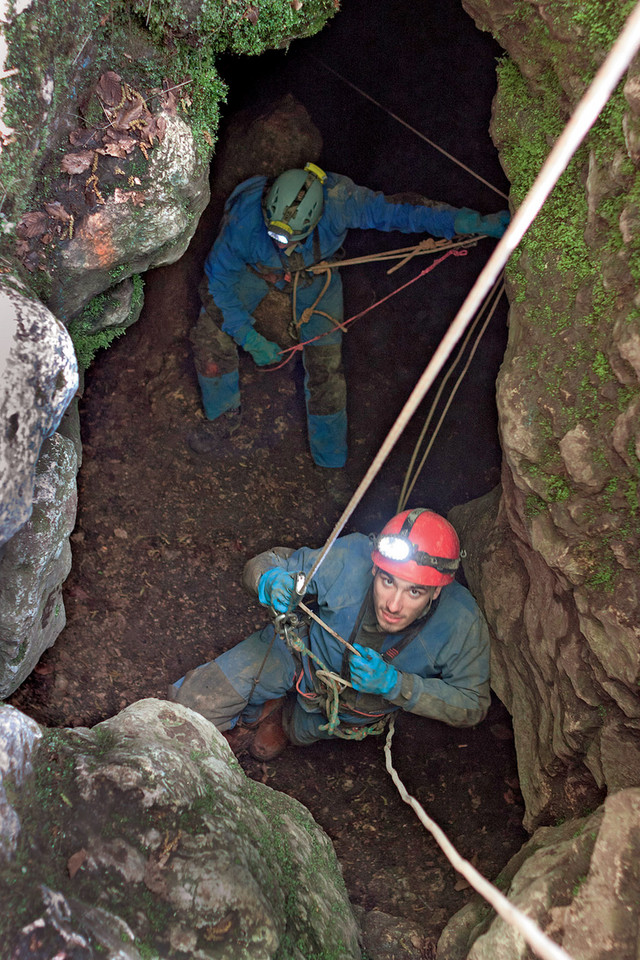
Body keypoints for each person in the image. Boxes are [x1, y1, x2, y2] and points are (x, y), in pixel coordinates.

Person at [188, 162, 510, 468]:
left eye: (289, 239)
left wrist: (464, 222)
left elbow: (402, 211)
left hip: (316, 276)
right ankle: (222, 418)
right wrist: (249, 338)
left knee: (325, 366)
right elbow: (216, 284)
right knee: (211, 332)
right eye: (274, 235)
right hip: (258, 272)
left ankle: (330, 460)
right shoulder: (244, 220)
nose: (281, 244)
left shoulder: (341, 202)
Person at [169, 508, 491, 761]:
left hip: (350, 712)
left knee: (273, 745)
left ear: (435, 593)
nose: (394, 604)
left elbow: (472, 703)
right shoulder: (352, 559)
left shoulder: (461, 622)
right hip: (300, 655)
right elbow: (269, 561)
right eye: (388, 581)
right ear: (376, 568)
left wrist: (397, 686)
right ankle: (253, 712)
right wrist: (269, 579)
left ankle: (281, 717)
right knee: (189, 705)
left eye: (415, 592)